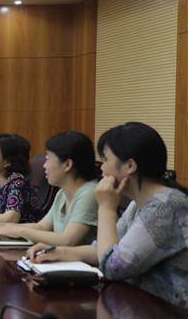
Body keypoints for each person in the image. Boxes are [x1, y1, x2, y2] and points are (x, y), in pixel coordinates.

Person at [28, 122, 188, 309]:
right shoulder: (140, 202)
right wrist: (57, 253)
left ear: (130, 165)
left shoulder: (164, 207)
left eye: (105, 160)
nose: (101, 168)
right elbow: (103, 250)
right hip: (140, 306)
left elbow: (113, 267)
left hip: (169, 316)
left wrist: (106, 208)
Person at [0, 131, 98, 246]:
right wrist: (6, 227)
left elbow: (67, 240)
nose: (44, 165)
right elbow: (42, 227)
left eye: (48, 159)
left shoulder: (89, 193)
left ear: (67, 165)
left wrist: (19, 231)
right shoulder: (63, 193)